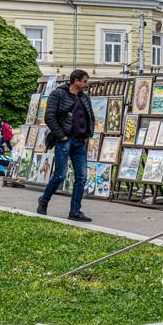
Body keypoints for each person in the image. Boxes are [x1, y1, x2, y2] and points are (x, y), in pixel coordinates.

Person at [37, 69, 95, 221]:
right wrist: (61, 136)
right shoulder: (58, 94)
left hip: (80, 141)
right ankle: (43, 200)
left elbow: (90, 117)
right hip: (65, 140)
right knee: (60, 175)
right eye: (84, 81)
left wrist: (88, 135)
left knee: (81, 177)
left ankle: (75, 211)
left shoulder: (84, 98)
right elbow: (49, 116)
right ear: (76, 81)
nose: (86, 84)